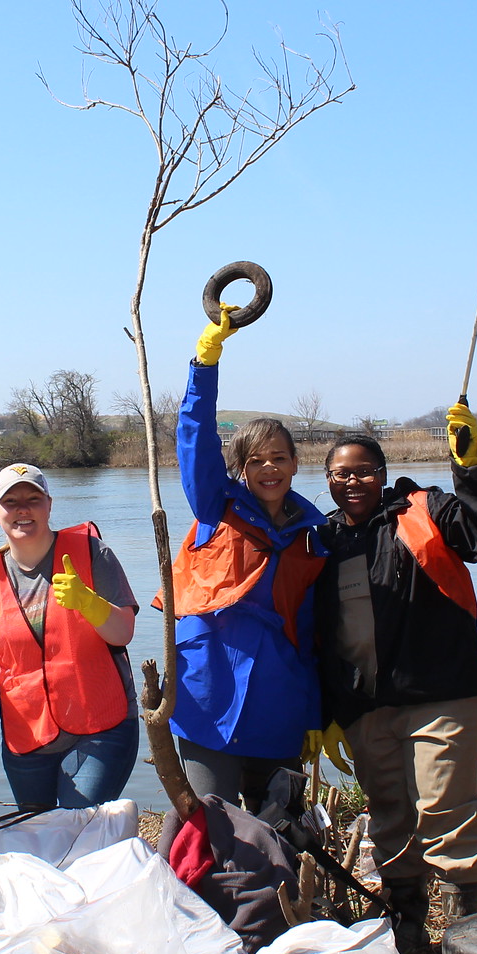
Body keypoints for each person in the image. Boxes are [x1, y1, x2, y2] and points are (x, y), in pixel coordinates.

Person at [312, 405, 477, 952]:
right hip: (366, 706)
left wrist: (471, 465)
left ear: (383, 473)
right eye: (340, 474)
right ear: (327, 481)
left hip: (443, 693)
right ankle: (407, 928)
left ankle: (469, 933)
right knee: (390, 816)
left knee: (445, 810)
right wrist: (325, 712)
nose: (352, 481)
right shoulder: (321, 541)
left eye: (363, 471)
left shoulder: (426, 510)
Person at [164, 305, 328, 812]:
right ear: (241, 468)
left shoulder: (316, 537)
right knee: (209, 830)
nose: (269, 468)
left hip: (278, 707)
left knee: (278, 833)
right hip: (204, 697)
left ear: (297, 464)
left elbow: (313, 636)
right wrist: (204, 364)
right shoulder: (217, 508)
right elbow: (195, 440)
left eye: (279, 457)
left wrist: (316, 714)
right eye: (256, 460)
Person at [0, 462, 141, 811]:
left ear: (49, 504)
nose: (22, 509)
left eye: (33, 499)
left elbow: (123, 632)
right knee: (37, 841)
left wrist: (90, 603)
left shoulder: (93, 554)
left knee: (76, 829)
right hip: (27, 739)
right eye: (11, 501)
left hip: (100, 729)